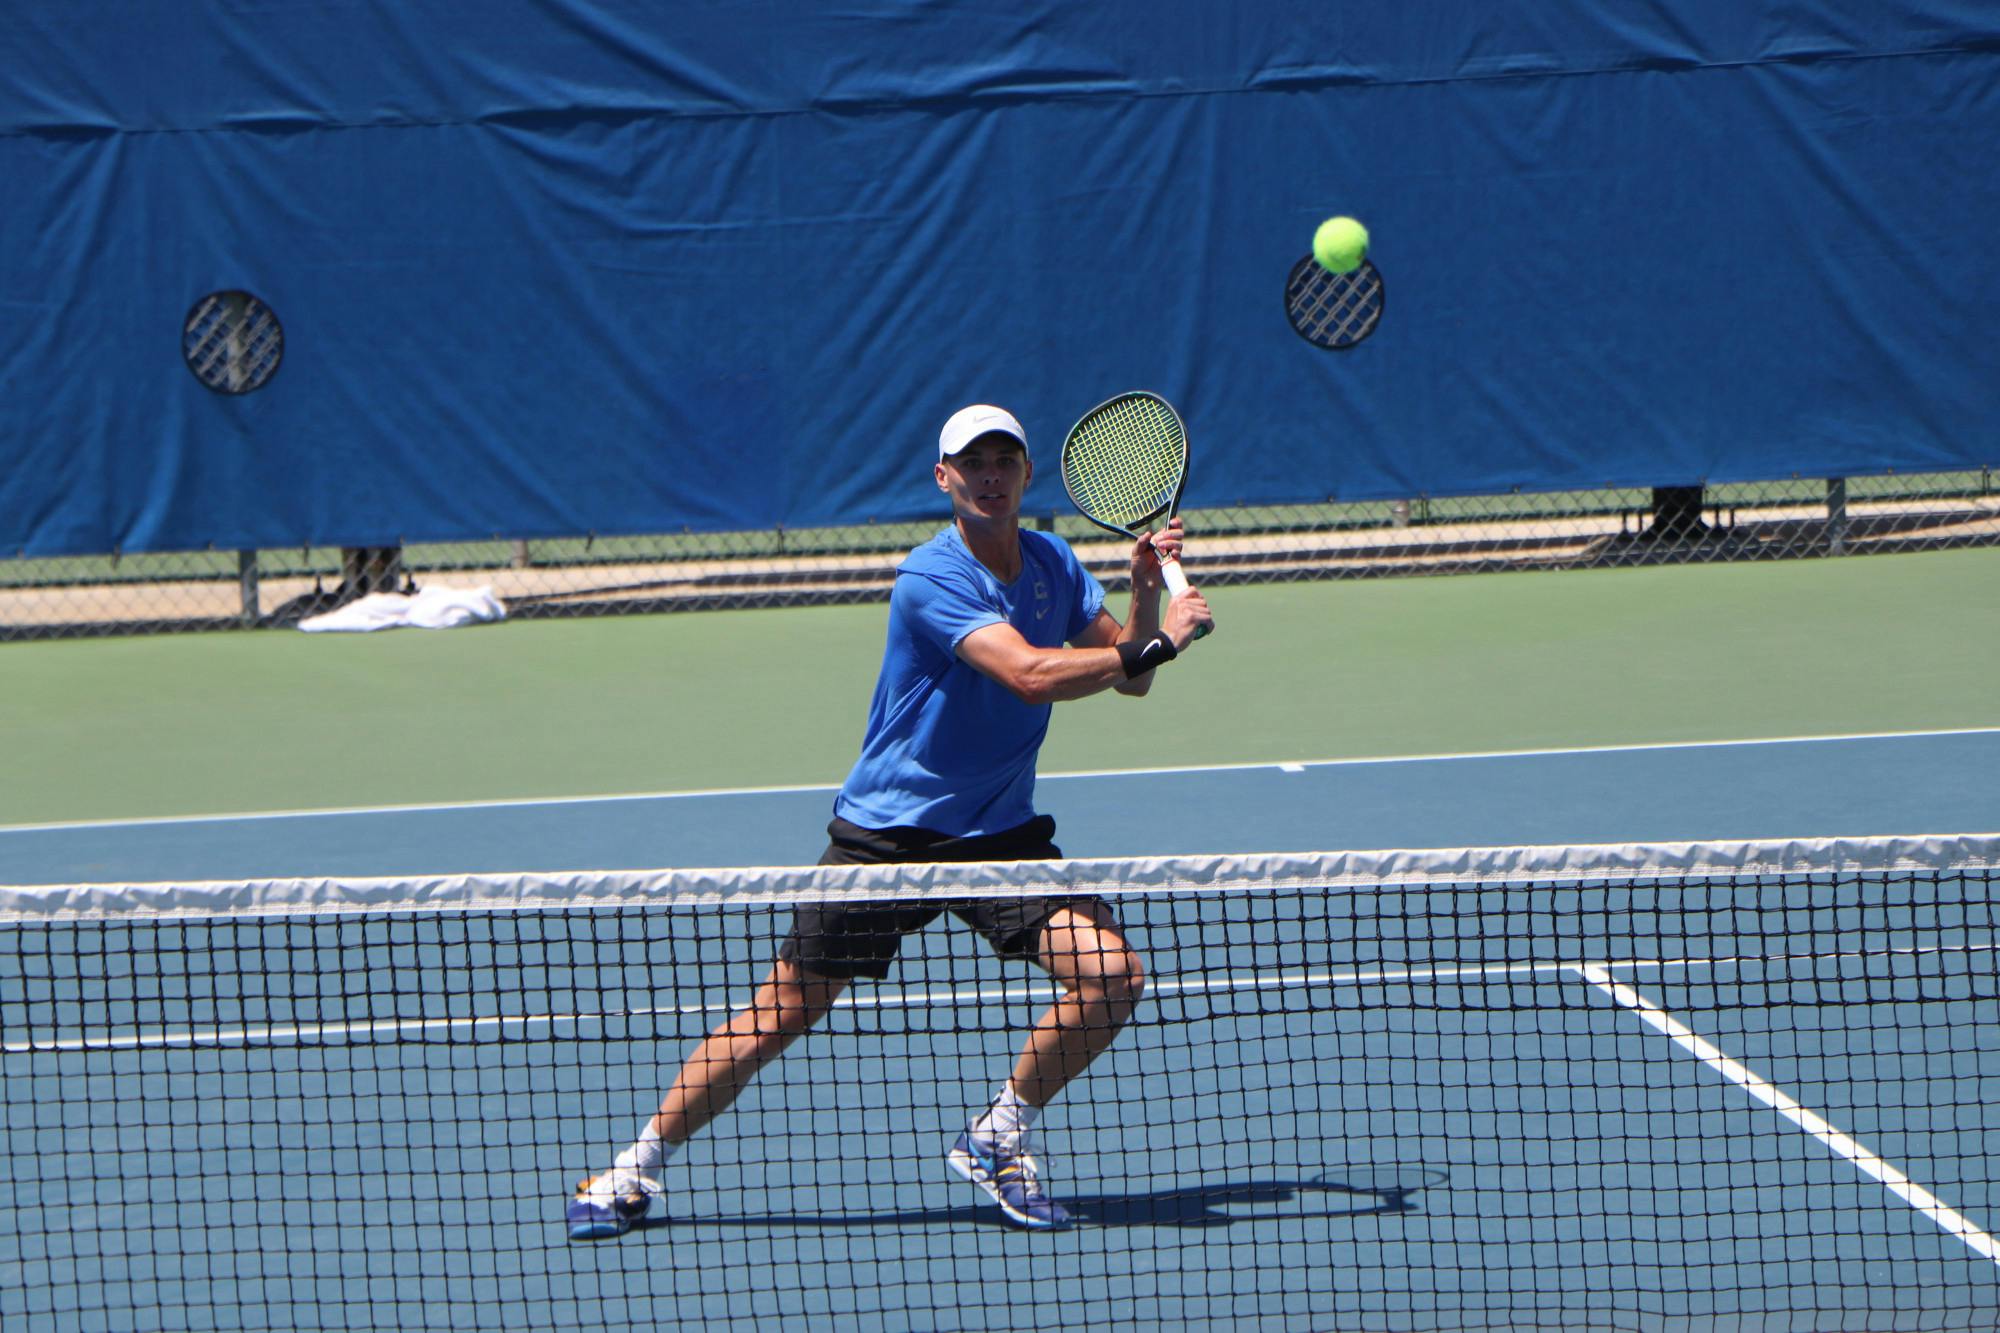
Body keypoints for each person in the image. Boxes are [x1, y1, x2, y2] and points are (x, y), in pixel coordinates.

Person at [568, 403, 1213, 1238]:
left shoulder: (1054, 565)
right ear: (944, 478)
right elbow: (1029, 673)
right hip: (890, 836)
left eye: (1002, 460)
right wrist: (1159, 642)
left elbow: (1126, 677)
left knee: (1113, 975)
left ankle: (998, 1133)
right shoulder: (930, 578)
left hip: (999, 836)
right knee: (782, 1013)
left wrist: (1144, 593)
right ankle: (631, 1170)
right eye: (970, 462)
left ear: (1024, 475)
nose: (988, 475)